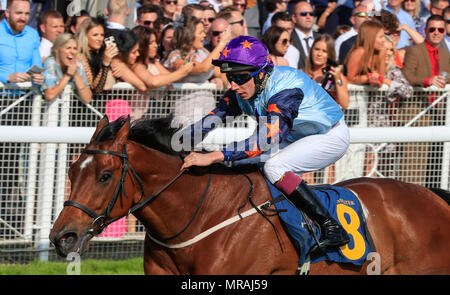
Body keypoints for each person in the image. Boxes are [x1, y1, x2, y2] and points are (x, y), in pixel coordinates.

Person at [179, 36, 351, 250]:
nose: (233, 85)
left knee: (273, 166)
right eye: (229, 76)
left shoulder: (285, 90)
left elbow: (263, 140)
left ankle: (331, 226)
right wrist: (178, 142)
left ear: (261, 73)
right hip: (295, 137)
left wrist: (213, 155)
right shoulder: (244, 87)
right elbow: (214, 118)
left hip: (329, 135)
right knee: (237, 164)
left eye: (240, 77)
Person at [163, 15, 231, 86]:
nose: (204, 35)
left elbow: (219, 72)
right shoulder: (176, 56)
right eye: (201, 32)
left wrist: (225, 82)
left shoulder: (203, 52)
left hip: (207, 96)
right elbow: (203, 68)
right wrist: (222, 43)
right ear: (189, 35)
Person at [0, 0, 43, 85]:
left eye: (27, 13)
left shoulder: (33, 34)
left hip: (25, 95)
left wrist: (39, 78)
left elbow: (37, 67)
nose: (23, 18)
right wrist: (7, 77)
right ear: (7, 13)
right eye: (19, 13)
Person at [40, 33, 92, 103]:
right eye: (68, 48)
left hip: (69, 111)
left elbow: (87, 99)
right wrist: (67, 75)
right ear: (57, 49)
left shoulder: (78, 64)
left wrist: (76, 75)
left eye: (75, 48)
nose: (72, 52)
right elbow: (50, 96)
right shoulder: (50, 63)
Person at [402, 14, 450, 87]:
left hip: (442, 97)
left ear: (444, 32)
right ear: (425, 31)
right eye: (432, 29)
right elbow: (406, 76)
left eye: (440, 30)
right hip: (420, 97)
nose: (436, 33)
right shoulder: (414, 51)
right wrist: (427, 81)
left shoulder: (446, 54)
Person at [304, 34, 350, 110]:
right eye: (317, 49)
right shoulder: (301, 72)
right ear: (311, 50)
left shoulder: (336, 75)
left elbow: (345, 104)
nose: (319, 54)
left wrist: (337, 79)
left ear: (330, 55)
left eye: (324, 51)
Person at [76, 17, 119, 93]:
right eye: (95, 35)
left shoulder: (98, 55)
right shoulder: (81, 57)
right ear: (85, 36)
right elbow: (95, 89)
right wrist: (105, 64)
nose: (100, 39)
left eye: (102, 35)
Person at [344, 20, 386, 88]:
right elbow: (348, 79)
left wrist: (377, 81)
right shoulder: (360, 52)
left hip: (371, 96)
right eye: (381, 37)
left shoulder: (381, 52)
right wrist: (368, 77)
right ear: (370, 37)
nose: (384, 40)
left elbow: (381, 80)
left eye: (384, 36)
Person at [291, 0, 320, 69]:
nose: (308, 16)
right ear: (294, 18)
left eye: (311, 14)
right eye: (303, 14)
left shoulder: (321, 38)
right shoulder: (288, 39)